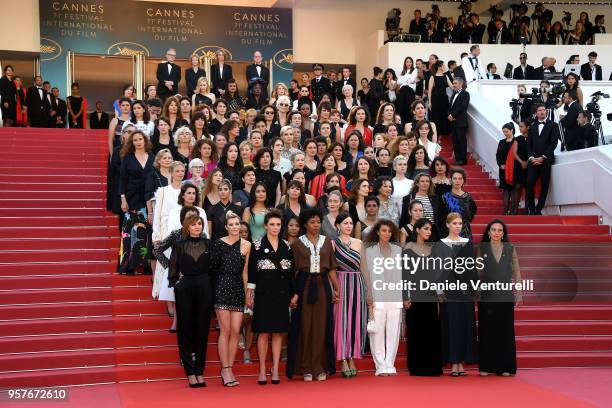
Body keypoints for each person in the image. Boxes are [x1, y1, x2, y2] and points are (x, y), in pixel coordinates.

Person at [286, 209, 339, 381]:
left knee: (321, 326)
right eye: (312, 222)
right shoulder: (296, 244)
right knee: (304, 325)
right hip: (303, 285)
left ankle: (320, 366)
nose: (316, 225)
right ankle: (305, 367)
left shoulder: (327, 242)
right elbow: (293, 272)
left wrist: (336, 289)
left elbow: (331, 268)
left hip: (323, 286)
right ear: (305, 224)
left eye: (318, 221)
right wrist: (293, 294)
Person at [161, 214, 212, 387]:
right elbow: (173, 269)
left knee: (202, 329)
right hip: (185, 289)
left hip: (205, 288)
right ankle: (190, 372)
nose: (197, 226)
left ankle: (199, 370)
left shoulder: (209, 245)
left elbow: (213, 268)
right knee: (185, 328)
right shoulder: (179, 245)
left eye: (200, 223)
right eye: (194, 224)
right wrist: (177, 285)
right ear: (187, 227)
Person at [246, 209, 296, 385]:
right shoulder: (257, 245)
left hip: (282, 294)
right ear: (265, 226)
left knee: (278, 333)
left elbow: (291, 273)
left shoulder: (287, 246)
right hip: (263, 294)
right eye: (272, 224)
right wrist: (249, 294)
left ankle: (274, 369)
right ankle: (261, 369)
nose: (275, 227)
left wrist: (294, 294)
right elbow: (252, 271)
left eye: (278, 224)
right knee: (264, 332)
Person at [435, 212, 478, 376]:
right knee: (452, 325)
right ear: (447, 225)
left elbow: (471, 269)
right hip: (449, 289)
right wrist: (439, 291)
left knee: (465, 325)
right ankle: (454, 362)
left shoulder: (467, 243)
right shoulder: (441, 244)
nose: (458, 226)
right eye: (454, 224)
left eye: (460, 224)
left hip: (465, 290)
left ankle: (462, 361)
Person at [211, 211, 251, 387]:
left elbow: (245, 272)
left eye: (237, 224)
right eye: (232, 225)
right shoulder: (218, 244)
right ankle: (225, 369)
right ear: (226, 227)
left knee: (236, 331)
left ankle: (230, 367)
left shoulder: (247, 245)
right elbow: (213, 268)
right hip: (221, 286)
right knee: (225, 330)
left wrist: (247, 294)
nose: (235, 227)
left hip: (237, 289)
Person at [478, 220, 521, 377]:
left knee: (505, 331)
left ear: (503, 234)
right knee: (486, 330)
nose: (496, 232)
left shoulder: (510, 248)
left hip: (505, 295)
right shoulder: (481, 248)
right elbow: (477, 271)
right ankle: (486, 366)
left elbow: (516, 271)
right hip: (487, 295)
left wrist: (519, 293)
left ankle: (506, 366)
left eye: (499, 230)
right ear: (488, 232)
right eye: (493, 229)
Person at [364, 219, 405, 376]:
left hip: (394, 295)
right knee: (377, 331)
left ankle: (390, 364)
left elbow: (402, 274)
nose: (386, 233)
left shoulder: (397, 250)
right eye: (383, 231)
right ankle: (380, 365)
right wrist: (369, 293)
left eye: (389, 231)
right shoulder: (370, 251)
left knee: (393, 331)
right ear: (377, 232)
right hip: (377, 295)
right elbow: (367, 274)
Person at [332, 212, 370, 378]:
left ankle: (352, 356)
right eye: (345, 223)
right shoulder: (332, 243)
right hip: (340, 283)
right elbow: (330, 269)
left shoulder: (359, 243)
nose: (348, 226)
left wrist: (369, 290)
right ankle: (342, 358)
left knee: (355, 321)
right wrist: (333, 288)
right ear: (338, 225)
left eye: (350, 223)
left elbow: (364, 267)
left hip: (357, 283)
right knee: (341, 322)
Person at [403, 218, 442, 376]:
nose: (428, 231)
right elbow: (404, 276)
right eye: (425, 228)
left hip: (431, 295)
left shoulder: (433, 249)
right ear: (417, 229)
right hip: (415, 296)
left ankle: (432, 367)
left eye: (430, 229)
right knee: (416, 331)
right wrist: (405, 296)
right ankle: (417, 366)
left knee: (432, 331)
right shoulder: (407, 249)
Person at [118, 131, 154, 275]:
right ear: (131, 143)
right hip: (131, 197)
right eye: (135, 140)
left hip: (147, 199)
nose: (138, 142)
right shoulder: (127, 158)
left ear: (145, 141)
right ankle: (129, 265)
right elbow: (122, 180)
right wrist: (123, 199)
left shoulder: (152, 158)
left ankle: (144, 265)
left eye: (140, 139)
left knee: (144, 232)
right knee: (130, 231)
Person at [527, 104, 559, 215]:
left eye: (543, 110)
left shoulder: (553, 125)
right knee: (530, 182)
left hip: (546, 160)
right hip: (533, 160)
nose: (542, 112)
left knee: (545, 184)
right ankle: (531, 208)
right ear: (536, 113)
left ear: (546, 112)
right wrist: (531, 158)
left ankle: (538, 208)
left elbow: (553, 143)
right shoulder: (532, 126)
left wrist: (543, 157)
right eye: (539, 110)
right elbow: (528, 144)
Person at [496, 123, 519, 215]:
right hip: (503, 170)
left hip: (514, 170)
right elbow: (498, 155)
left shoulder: (517, 141)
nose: (505, 133)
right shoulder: (501, 142)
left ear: (512, 130)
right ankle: (505, 211)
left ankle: (513, 212)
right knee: (505, 190)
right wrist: (501, 164)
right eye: (504, 132)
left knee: (514, 189)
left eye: (506, 131)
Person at [448, 77, 470, 165]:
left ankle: (462, 160)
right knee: (455, 141)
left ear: (461, 84)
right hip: (453, 122)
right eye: (453, 83)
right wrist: (449, 115)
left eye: (455, 83)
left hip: (460, 122)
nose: (454, 85)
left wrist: (453, 115)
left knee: (461, 141)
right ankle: (457, 159)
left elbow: (463, 107)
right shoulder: (453, 94)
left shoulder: (465, 94)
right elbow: (450, 107)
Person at [428, 60, 452, 136]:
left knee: (444, 116)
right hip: (435, 99)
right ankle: (437, 134)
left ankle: (445, 133)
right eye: (443, 65)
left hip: (444, 99)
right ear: (439, 67)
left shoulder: (446, 76)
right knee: (436, 117)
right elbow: (429, 91)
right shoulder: (433, 77)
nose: (444, 67)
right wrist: (429, 102)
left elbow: (451, 86)